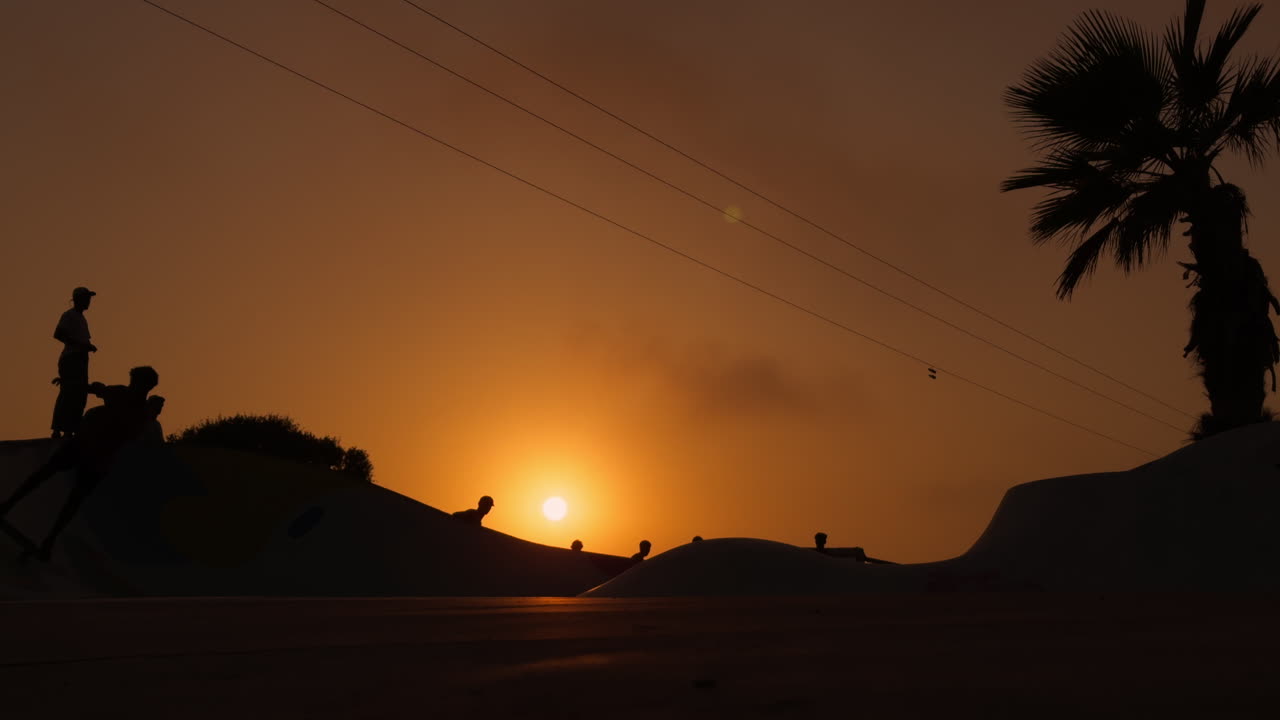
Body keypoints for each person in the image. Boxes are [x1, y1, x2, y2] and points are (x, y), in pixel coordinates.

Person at [0, 366, 159, 562]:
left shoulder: (138, 411)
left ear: (146, 387)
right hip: (85, 447)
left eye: (137, 383)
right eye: (132, 382)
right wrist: (71, 384)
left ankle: (49, 540)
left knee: (72, 499)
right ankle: (8, 506)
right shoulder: (124, 396)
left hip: (97, 456)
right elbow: (93, 389)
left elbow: (131, 434)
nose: (133, 386)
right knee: (44, 474)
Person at [50, 287, 98, 438]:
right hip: (71, 359)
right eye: (86, 298)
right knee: (68, 393)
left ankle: (70, 429)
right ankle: (58, 429)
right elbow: (58, 334)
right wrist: (79, 345)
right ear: (78, 299)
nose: (88, 301)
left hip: (81, 359)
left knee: (79, 395)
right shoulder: (69, 315)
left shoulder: (82, 319)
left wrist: (87, 346)